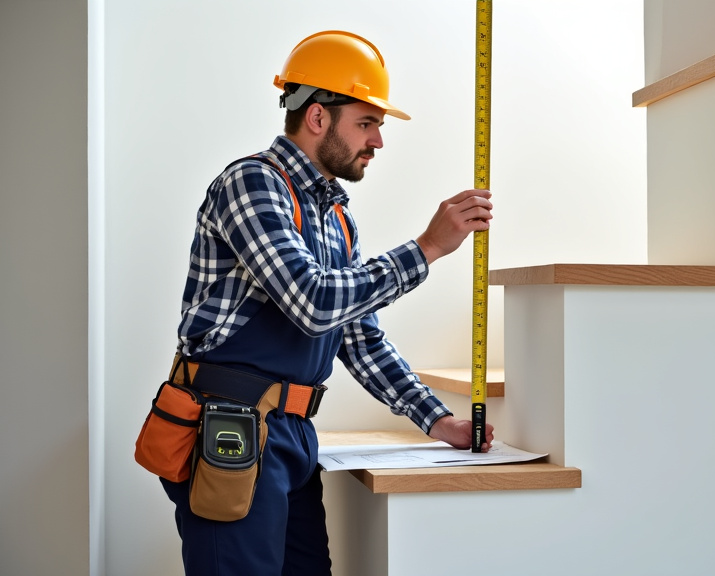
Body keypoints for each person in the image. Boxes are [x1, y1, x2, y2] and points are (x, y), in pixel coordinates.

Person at [160, 30, 494, 575]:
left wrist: (437, 420)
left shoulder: (336, 218)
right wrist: (427, 249)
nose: (378, 141)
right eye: (366, 123)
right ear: (317, 117)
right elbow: (311, 302)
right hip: (230, 428)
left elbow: (360, 339)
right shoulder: (252, 183)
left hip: (292, 437)